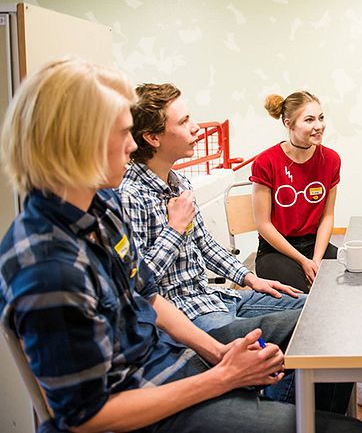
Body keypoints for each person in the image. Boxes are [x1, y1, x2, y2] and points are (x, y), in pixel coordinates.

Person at [0, 58, 362, 432]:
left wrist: (220, 352)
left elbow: (146, 295)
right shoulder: (47, 266)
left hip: (172, 361)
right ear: (77, 141)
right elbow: (87, 417)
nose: (130, 146)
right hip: (149, 403)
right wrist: (223, 376)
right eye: (121, 132)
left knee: (326, 321)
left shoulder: (99, 209)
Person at [252, 90, 362, 421]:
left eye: (321, 118)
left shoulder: (330, 159)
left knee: (357, 293)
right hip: (277, 248)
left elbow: (327, 216)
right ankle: (300, 390)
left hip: (314, 245)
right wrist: (303, 261)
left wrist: (316, 257)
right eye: (309, 119)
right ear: (288, 123)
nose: (318, 126)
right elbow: (263, 225)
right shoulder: (267, 162)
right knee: (310, 307)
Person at [118, 83, 305, 338]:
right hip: (186, 315)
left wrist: (249, 278)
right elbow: (138, 284)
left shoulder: (179, 182)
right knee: (299, 330)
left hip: (215, 297)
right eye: (184, 122)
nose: (195, 127)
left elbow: (205, 245)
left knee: (315, 310)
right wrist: (175, 229)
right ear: (153, 138)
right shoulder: (129, 197)